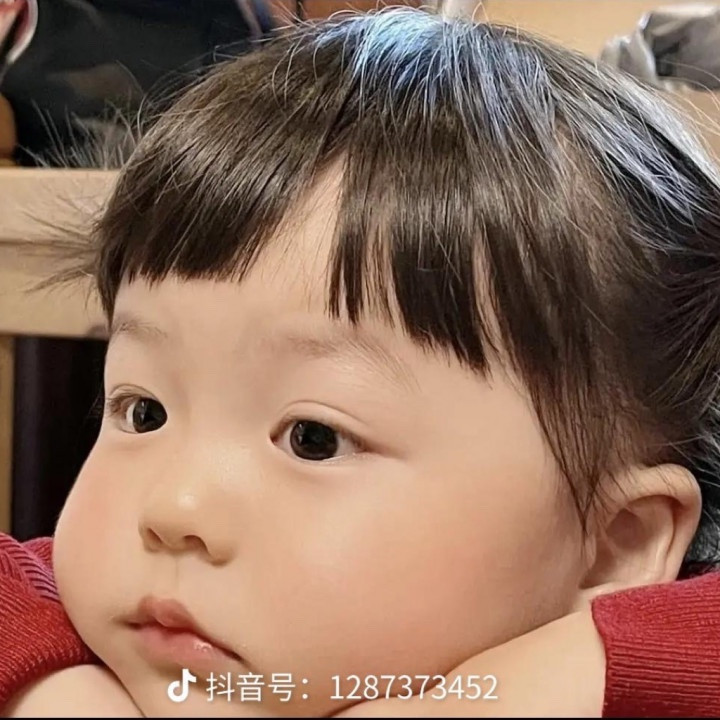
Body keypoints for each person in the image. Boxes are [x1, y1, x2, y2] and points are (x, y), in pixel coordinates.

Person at [2, 6, 720, 717]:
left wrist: (552, 679)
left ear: (613, 545)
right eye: (144, 412)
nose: (174, 508)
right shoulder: (101, 643)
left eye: (314, 438)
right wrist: (52, 692)